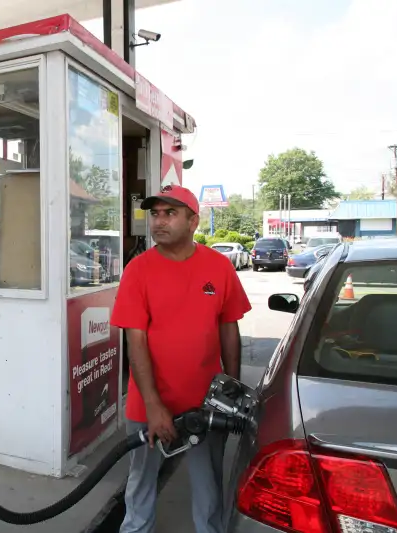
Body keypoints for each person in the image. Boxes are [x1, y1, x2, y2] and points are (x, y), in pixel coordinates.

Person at [110, 184, 252, 533]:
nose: (159, 221)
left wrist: (230, 391)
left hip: (206, 404)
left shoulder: (218, 267)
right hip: (148, 404)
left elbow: (228, 329)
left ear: (192, 221)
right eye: (155, 213)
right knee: (141, 483)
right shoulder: (138, 270)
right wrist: (154, 405)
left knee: (208, 486)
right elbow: (136, 341)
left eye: (169, 213)